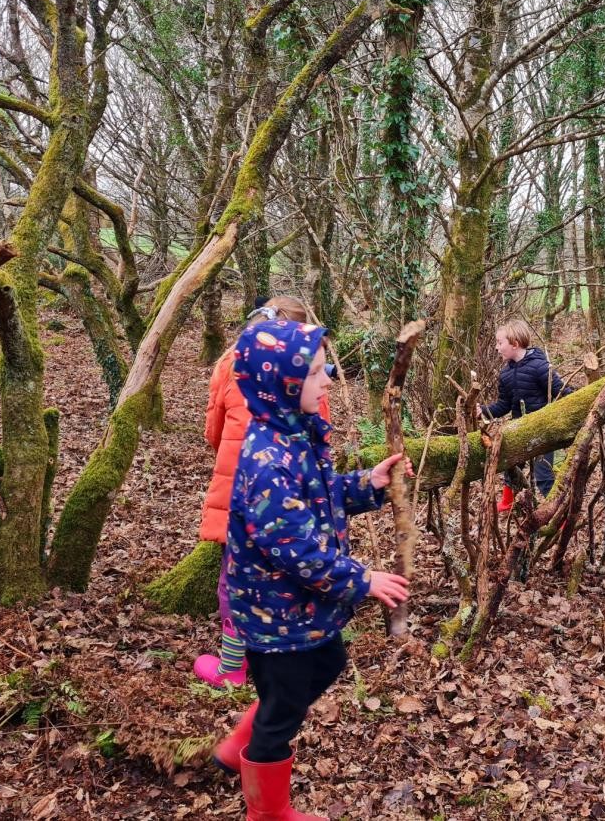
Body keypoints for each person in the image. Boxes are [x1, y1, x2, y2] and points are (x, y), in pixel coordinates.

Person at [210, 316, 410, 819]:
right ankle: (267, 809)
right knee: (285, 706)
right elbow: (295, 548)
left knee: (329, 664)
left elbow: (319, 498)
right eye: (319, 373)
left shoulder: (296, 433)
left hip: (299, 609)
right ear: (285, 382)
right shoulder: (268, 460)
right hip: (275, 613)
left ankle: (242, 741)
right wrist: (363, 580)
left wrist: (368, 483)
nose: (328, 381)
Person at [193, 296, 327, 689]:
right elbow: (320, 428)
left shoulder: (231, 362)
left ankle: (233, 668)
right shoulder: (306, 365)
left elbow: (214, 430)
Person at [478, 319, 575, 507]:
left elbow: (561, 391)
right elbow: (503, 405)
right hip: (519, 429)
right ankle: (507, 501)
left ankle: (557, 512)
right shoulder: (505, 374)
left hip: (543, 430)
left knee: (543, 476)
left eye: (500, 343)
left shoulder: (539, 367)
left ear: (514, 344)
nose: (497, 348)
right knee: (511, 467)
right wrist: (482, 410)